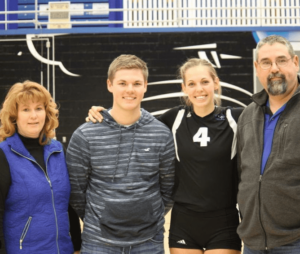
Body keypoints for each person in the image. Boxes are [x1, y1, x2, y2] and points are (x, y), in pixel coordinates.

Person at [88, 58, 243, 254]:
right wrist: (103, 114)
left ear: (216, 83)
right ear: (184, 87)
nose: (199, 89)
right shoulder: (174, 118)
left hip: (224, 220)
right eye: (192, 84)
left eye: (205, 82)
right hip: (184, 221)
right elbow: (135, 123)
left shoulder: (236, 118)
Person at [66, 54, 175, 254]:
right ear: (110, 85)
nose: (130, 90)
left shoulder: (161, 133)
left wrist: (149, 215)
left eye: (136, 83)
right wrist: (100, 219)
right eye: (122, 83)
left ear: (145, 86)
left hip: (148, 242)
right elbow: (76, 192)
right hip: (98, 242)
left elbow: (167, 189)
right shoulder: (85, 135)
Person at [0, 81, 81, 254]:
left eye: (38, 108)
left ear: (47, 112)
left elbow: (69, 205)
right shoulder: (4, 154)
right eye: (26, 110)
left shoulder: (58, 151)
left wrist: (77, 246)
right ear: (14, 116)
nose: (34, 116)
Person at [237, 35, 300, 253]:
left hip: (294, 242)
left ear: (296, 62)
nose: (274, 68)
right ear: (257, 67)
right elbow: (242, 174)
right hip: (253, 243)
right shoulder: (247, 115)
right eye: (266, 62)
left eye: (281, 60)